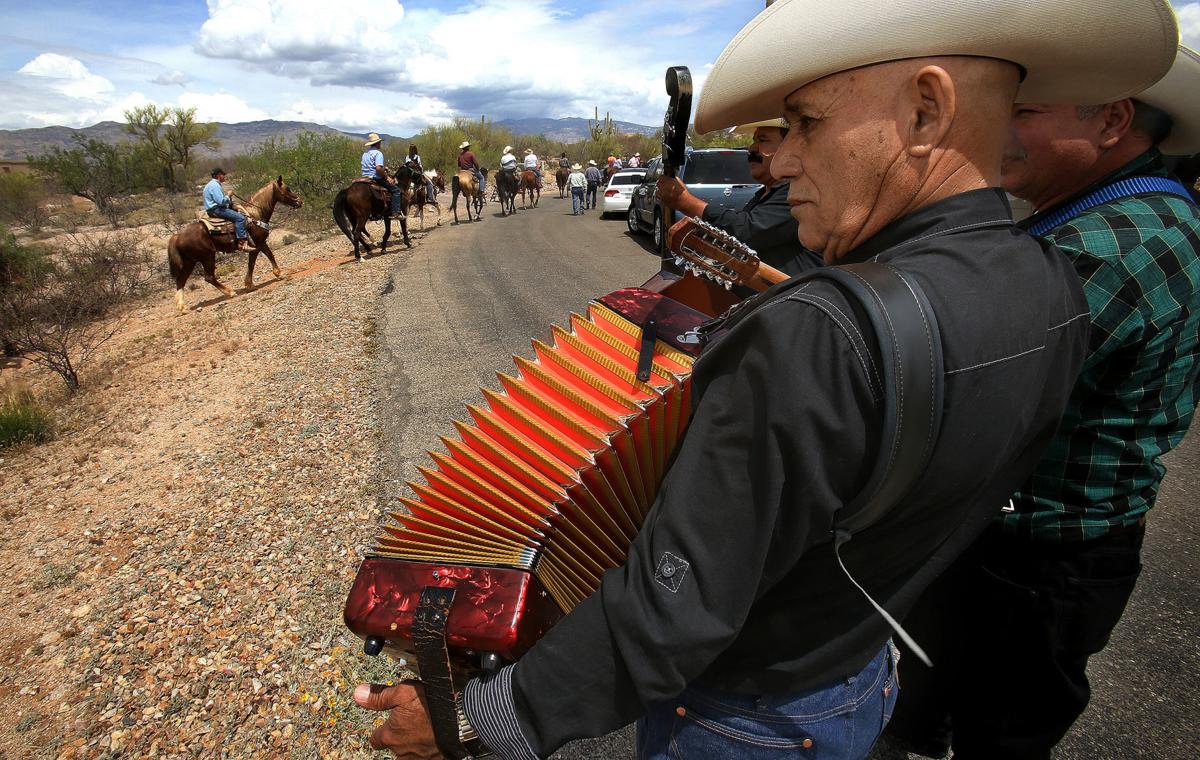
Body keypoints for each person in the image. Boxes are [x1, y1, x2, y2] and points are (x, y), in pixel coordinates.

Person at [351, 0, 1175, 757]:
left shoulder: (814, 334)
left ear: (928, 112)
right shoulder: (1052, 282)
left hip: (747, 717)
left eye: (804, 123)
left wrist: (484, 717)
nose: (778, 165)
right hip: (858, 666)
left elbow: (674, 606)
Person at [884, 43, 1200, 760]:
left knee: (1000, 733)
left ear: (1112, 120)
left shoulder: (1116, 241)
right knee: (932, 704)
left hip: (1041, 561)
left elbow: (959, 379)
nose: (997, 130)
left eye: (1023, 112)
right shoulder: (1098, 216)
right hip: (1011, 542)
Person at [658, 118, 820, 276]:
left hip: (791, 298)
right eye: (753, 140)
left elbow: (747, 231)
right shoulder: (764, 195)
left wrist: (686, 202)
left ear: (789, 149)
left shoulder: (798, 193)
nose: (752, 148)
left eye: (762, 140)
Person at [203, 168, 253, 250]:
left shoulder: (209, 185)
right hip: (217, 210)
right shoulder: (215, 185)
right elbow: (221, 202)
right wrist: (228, 195)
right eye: (223, 174)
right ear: (219, 175)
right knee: (240, 218)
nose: (224, 176)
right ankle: (242, 243)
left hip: (211, 210)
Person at [361, 132, 403, 218]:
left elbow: (370, 166)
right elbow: (378, 168)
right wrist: (387, 177)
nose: (380, 144)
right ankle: (396, 212)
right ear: (377, 143)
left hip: (364, 177)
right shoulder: (378, 153)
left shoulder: (365, 153)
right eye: (380, 142)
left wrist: (385, 169)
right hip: (375, 177)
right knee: (396, 190)